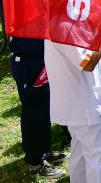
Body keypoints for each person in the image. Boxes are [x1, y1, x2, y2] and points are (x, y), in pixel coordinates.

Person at [43, 27, 101, 182]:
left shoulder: (59, 21)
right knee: (98, 158)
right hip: (86, 107)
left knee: (81, 155)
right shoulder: (66, 27)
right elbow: (87, 63)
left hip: (77, 105)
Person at [11, 37, 68, 178]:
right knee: (33, 112)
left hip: (39, 57)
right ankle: (36, 162)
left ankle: (45, 152)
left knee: (43, 109)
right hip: (28, 60)